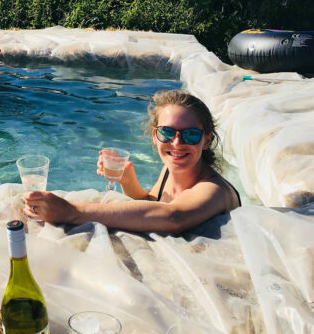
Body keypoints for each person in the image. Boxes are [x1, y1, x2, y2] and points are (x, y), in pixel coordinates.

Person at [23, 90, 241, 234]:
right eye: (167, 132)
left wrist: (70, 211)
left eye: (191, 134)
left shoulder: (214, 190)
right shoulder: (169, 169)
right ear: (155, 136)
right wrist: (129, 183)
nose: (177, 143)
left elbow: (173, 216)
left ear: (207, 140)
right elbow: (154, 203)